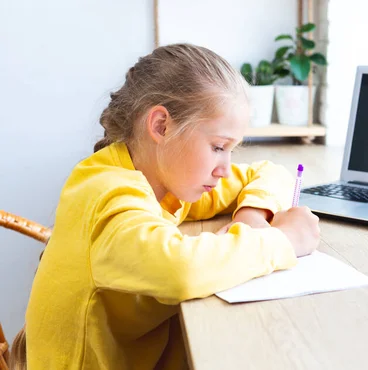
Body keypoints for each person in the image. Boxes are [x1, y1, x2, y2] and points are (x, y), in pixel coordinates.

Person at [11, 43, 320, 370]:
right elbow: (180, 270)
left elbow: (269, 173)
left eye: (231, 150)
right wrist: (283, 240)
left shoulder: (167, 180)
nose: (225, 168)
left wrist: (251, 216)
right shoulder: (107, 191)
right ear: (161, 126)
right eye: (218, 147)